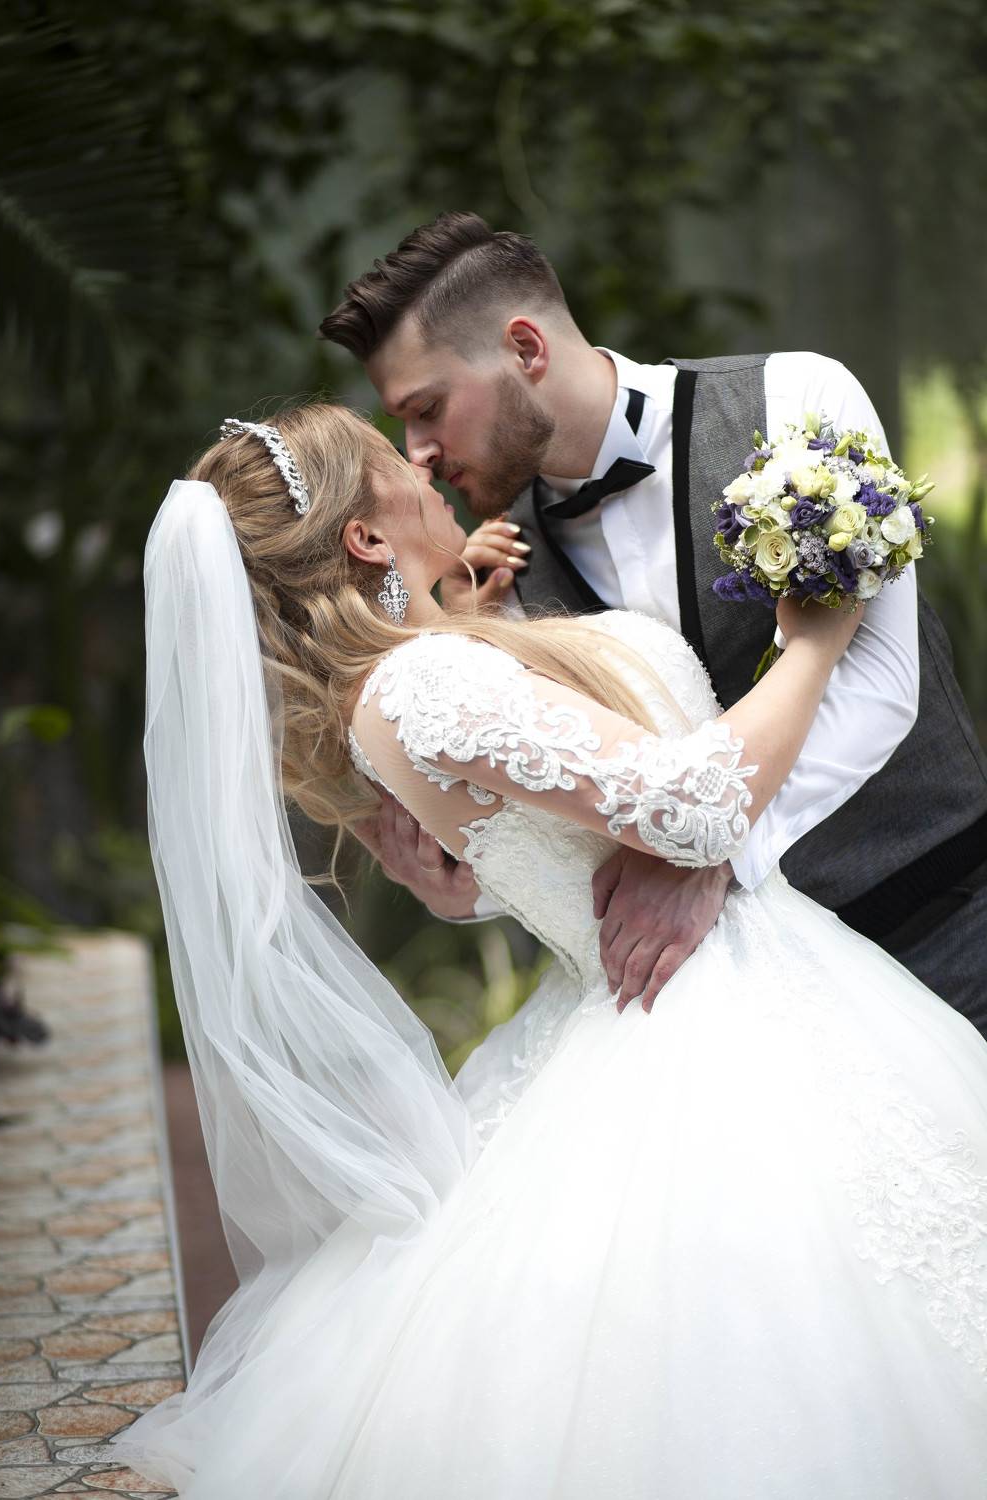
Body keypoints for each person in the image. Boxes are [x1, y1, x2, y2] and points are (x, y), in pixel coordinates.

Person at [113, 402, 987, 1498]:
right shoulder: (424, 687)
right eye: (392, 460)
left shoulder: (433, 663)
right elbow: (694, 807)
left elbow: (527, 858)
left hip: (724, 982)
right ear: (366, 537)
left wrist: (482, 623)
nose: (423, 467)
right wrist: (813, 639)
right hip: (703, 1018)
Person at [319, 212, 987, 1034]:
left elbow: (883, 679)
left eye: (427, 408)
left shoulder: (794, 399)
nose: (416, 451)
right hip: (757, 1012)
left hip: (947, 920)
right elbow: (577, 822)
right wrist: (460, 888)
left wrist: (716, 854)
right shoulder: (504, 574)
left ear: (525, 349)